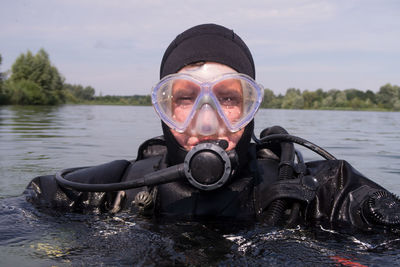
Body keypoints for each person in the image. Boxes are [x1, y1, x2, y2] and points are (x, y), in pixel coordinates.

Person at [25, 23, 400, 230]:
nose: (206, 123)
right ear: (163, 107)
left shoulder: (324, 194)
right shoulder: (109, 192)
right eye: (185, 98)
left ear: (252, 108)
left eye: (230, 98)